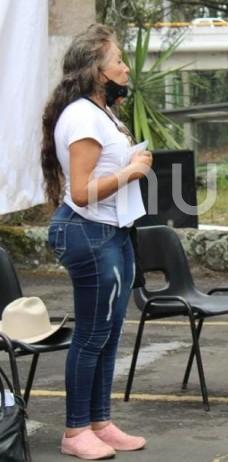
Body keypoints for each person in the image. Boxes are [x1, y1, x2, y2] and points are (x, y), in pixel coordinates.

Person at [42, 24, 151, 459]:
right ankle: (75, 432)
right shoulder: (83, 117)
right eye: (119, 61)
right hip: (88, 231)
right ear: (97, 72)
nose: (126, 68)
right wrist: (132, 171)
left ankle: (100, 422)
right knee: (91, 335)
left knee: (108, 333)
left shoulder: (100, 112)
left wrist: (133, 161)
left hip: (113, 231)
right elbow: (83, 191)